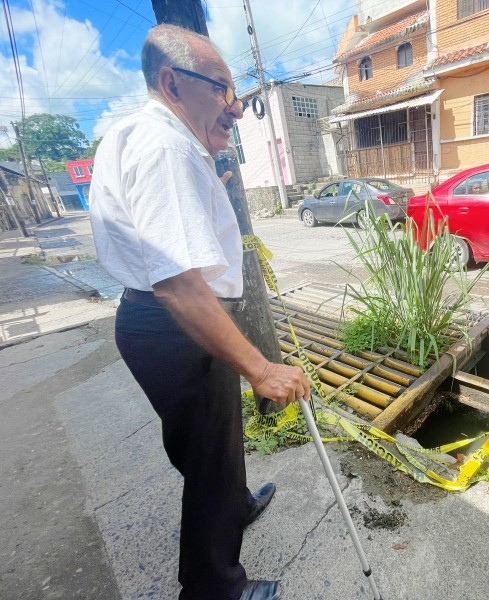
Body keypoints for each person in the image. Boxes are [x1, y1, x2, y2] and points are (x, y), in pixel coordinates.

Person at [89, 24, 310, 600]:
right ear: (171, 82)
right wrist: (262, 369)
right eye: (220, 89)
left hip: (161, 328)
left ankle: (232, 505)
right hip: (177, 324)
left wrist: (210, 179)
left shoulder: (146, 134)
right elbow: (181, 287)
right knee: (209, 457)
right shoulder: (167, 149)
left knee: (209, 441)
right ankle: (215, 588)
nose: (234, 109)